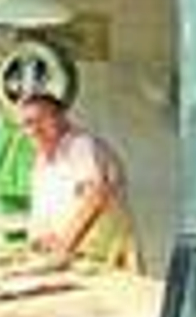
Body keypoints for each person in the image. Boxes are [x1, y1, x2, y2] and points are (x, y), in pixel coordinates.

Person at [15, 93, 142, 272]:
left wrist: (62, 249)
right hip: (74, 260)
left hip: (103, 258)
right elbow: (44, 217)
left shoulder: (82, 146)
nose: (34, 129)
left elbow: (95, 198)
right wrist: (39, 241)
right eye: (27, 124)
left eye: (42, 120)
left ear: (61, 118)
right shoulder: (41, 162)